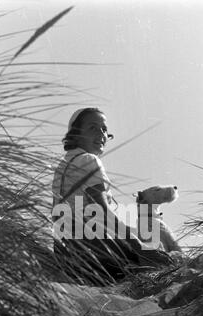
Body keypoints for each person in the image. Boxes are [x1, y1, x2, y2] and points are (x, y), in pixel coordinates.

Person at [52, 107, 171, 285]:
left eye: (104, 129)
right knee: (159, 257)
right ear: (76, 135)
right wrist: (140, 248)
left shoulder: (62, 167)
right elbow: (100, 209)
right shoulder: (89, 160)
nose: (101, 133)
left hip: (66, 252)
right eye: (93, 127)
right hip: (95, 249)